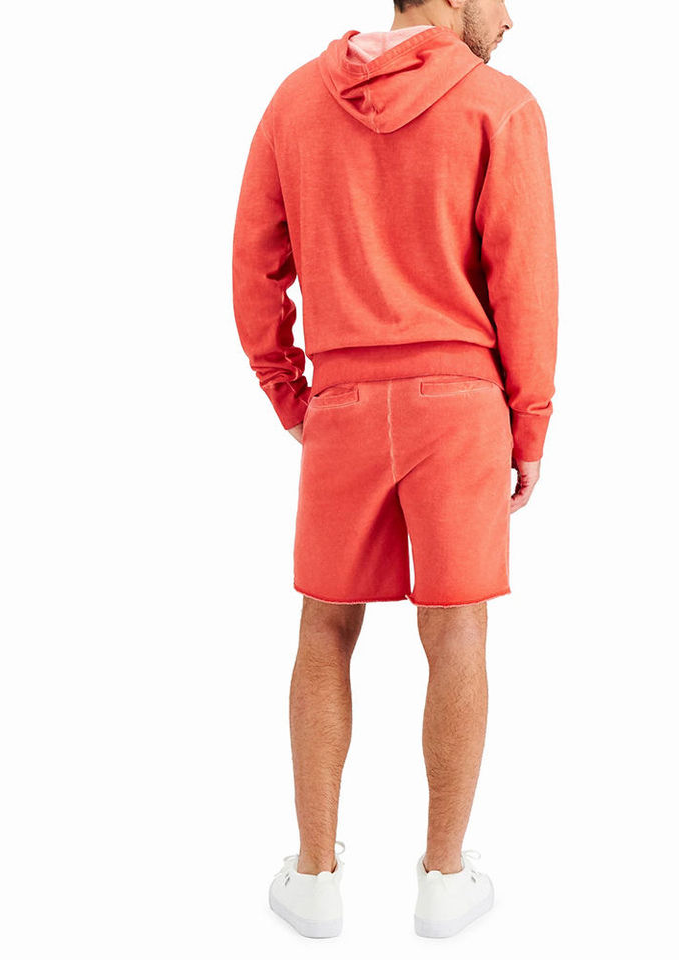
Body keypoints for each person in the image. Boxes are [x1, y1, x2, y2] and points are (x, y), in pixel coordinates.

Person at [232, 0, 558, 939]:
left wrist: (291, 391)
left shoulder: (296, 102)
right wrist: (529, 423)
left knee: (324, 629)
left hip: (340, 401)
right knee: (456, 635)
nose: (511, 17)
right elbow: (525, 279)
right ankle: (445, 882)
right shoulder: (500, 106)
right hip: (459, 409)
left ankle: (313, 878)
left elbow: (254, 264)